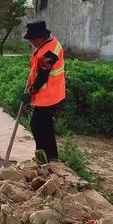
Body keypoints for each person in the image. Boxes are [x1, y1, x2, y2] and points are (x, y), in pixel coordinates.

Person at [22, 19, 65, 164]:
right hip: (45, 92)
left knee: (37, 124)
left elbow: (43, 75)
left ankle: (43, 156)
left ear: (39, 37)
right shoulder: (43, 45)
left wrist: (31, 92)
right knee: (44, 124)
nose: (31, 42)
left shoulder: (51, 50)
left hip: (50, 93)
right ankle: (51, 156)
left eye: (32, 39)